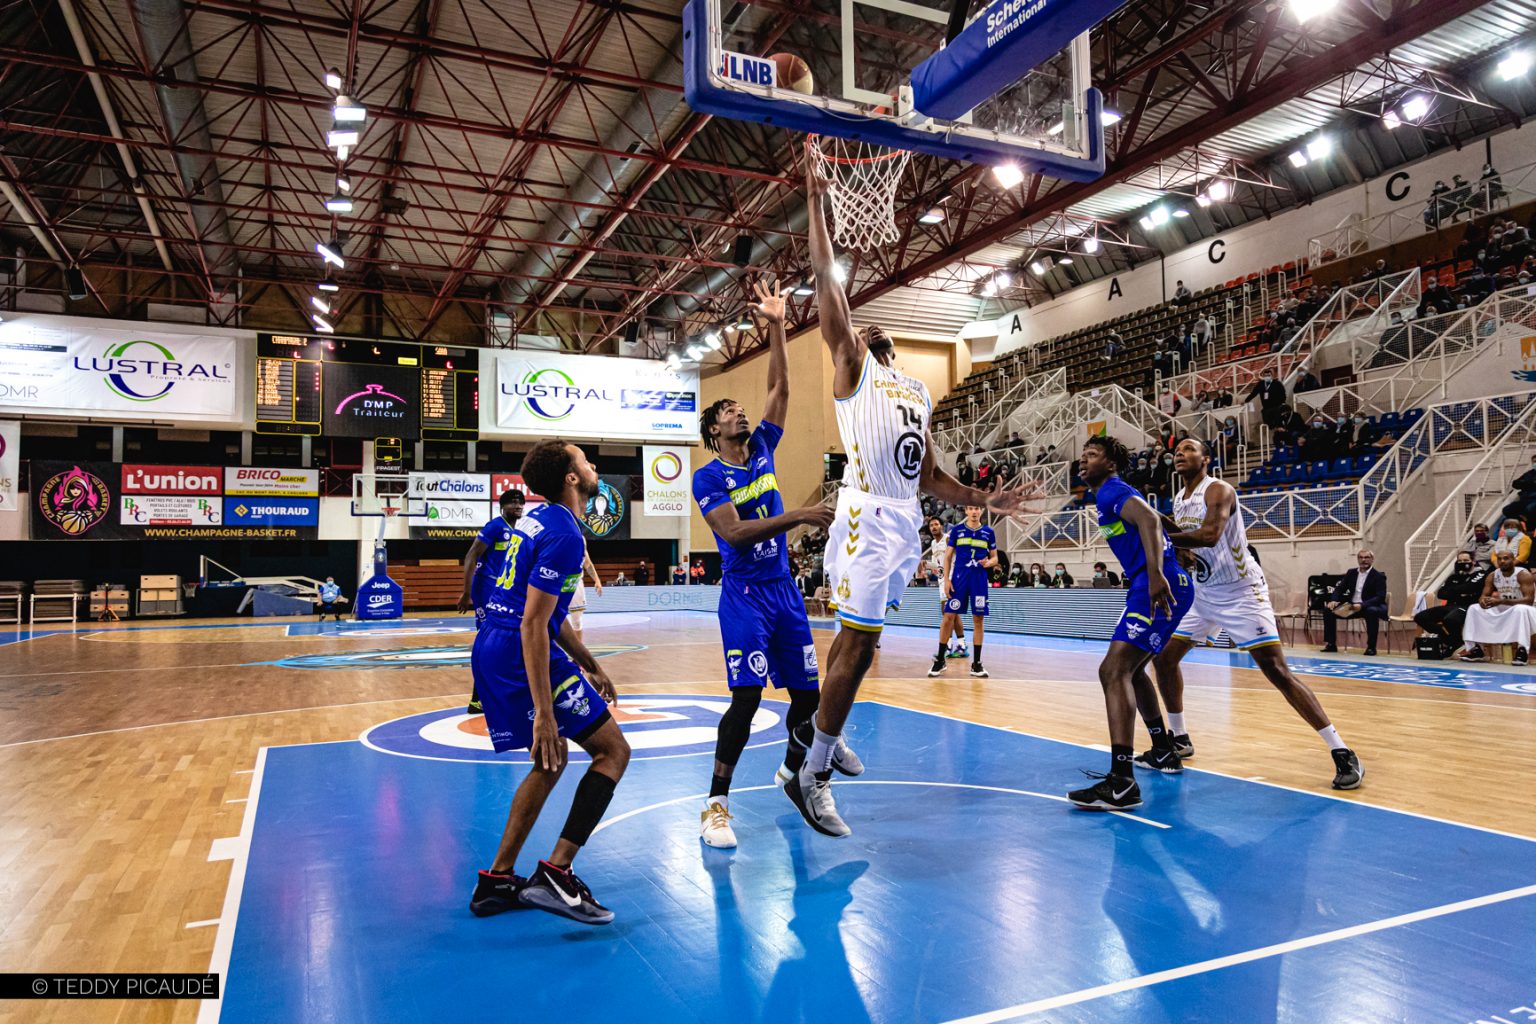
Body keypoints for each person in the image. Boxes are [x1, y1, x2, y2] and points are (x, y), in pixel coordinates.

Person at [791, 147, 1031, 837]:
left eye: (873, 332)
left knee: (855, 643)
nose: (863, 329)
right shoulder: (854, 366)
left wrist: (987, 502)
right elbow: (826, 285)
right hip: (866, 510)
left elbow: (930, 477)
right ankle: (815, 774)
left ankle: (817, 736)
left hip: (905, 515)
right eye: (857, 330)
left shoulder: (919, 390)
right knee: (861, 646)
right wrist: (815, 201)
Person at [690, 278, 853, 850]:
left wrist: (779, 324)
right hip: (745, 596)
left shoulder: (761, 448)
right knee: (749, 698)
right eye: (730, 411)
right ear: (715, 430)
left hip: (783, 590)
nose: (741, 414)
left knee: (809, 698)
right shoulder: (709, 477)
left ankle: (793, 773)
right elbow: (732, 532)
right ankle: (716, 806)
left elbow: (781, 385)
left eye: (741, 408)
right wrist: (803, 514)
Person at [466, 440, 628, 926]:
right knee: (613, 752)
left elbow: (552, 620)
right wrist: (545, 713)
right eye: (584, 460)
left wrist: (590, 663)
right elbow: (534, 625)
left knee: (551, 762)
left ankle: (496, 881)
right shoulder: (564, 534)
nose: (592, 464)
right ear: (571, 479)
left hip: (495, 646)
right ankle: (557, 871)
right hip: (517, 649)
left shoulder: (541, 520)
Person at [1144, 439, 1362, 788]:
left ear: (1207, 458)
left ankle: (1341, 751)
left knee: (1276, 670)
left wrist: (1160, 538)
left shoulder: (1219, 489)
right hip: (1204, 594)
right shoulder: (1181, 499)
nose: (1180, 454)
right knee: (1165, 659)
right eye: (1177, 450)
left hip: (1242, 592)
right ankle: (1180, 737)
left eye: (1188, 448)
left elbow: (1211, 536)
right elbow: (1181, 537)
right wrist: (1148, 518)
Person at [458, 488, 527, 714]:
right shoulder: (495, 527)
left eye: (520, 503)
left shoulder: (521, 530)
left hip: (504, 590)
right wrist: (466, 592)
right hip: (486, 588)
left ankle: (489, 695)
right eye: (513, 503)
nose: (518, 506)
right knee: (491, 642)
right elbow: (471, 555)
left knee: (508, 641)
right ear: (502, 506)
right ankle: (478, 698)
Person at [929, 504, 997, 679]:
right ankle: (940, 660)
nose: (974, 511)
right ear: (966, 511)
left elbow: (995, 557)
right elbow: (948, 556)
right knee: (948, 616)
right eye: (971, 508)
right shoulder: (957, 531)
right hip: (959, 579)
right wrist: (946, 580)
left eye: (977, 508)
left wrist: (989, 563)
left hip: (979, 580)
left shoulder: (989, 531)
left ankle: (977, 664)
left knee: (978, 619)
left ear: (981, 511)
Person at [1459, 550, 1536, 665]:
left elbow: (1528, 601)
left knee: (1520, 609)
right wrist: (1483, 602)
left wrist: (1501, 601)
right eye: (1499, 559)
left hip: (1529, 610)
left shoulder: (1523, 574)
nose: (1502, 561)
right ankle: (1476, 649)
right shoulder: (1493, 575)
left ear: (1513, 559)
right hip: (1507, 607)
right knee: (1474, 608)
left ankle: (1522, 650)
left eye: (1506, 558)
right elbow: (1483, 596)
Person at [1415, 552, 1488, 651]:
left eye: (1466, 561)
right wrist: (1461, 591)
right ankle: (1449, 640)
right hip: (1451, 606)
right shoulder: (1454, 576)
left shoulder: (1481, 574)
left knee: (1450, 619)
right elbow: (1441, 594)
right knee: (1420, 617)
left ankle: (1454, 643)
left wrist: (1454, 590)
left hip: (1470, 606)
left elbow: (1469, 587)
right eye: (1460, 561)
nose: (1462, 563)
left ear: (1473, 562)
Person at [1321, 549, 1388, 655]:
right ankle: (1331, 644)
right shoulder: (1351, 573)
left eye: (1366, 557)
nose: (1363, 560)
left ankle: (1371, 647)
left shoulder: (1379, 576)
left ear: (1372, 559)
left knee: (1372, 611)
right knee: (1328, 610)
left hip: (1369, 606)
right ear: (1358, 559)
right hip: (1352, 607)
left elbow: (1380, 597)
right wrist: (1334, 600)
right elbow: (1339, 589)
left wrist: (1362, 605)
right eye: (1361, 557)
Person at [567, 547, 603, 646]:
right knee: (549, 618)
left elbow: (587, 563)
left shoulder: (580, 538)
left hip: (574, 580)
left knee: (577, 621)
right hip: (554, 578)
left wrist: (597, 580)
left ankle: (577, 656)